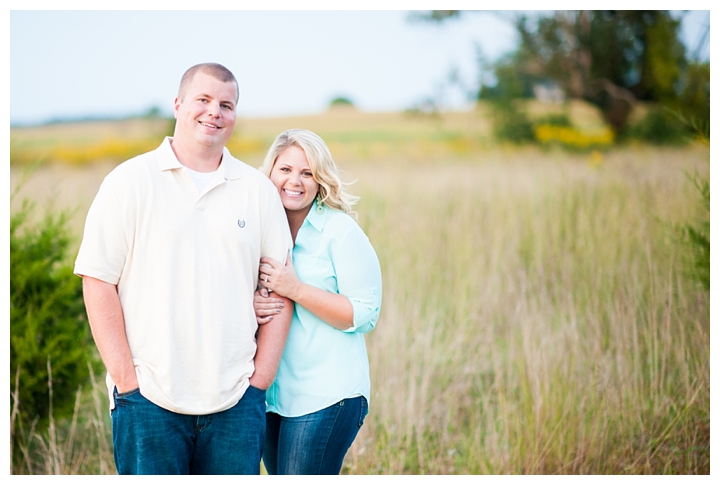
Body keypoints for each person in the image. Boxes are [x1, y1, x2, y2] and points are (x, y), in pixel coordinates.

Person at [73, 63, 294, 475]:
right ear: (178, 104)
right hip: (149, 401)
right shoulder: (129, 182)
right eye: (204, 100)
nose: (215, 112)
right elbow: (97, 280)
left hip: (235, 402)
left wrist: (258, 383)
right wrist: (127, 382)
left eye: (226, 105)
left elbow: (281, 289)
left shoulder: (257, 191)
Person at [253, 129, 382, 474]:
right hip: (270, 397)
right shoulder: (257, 231)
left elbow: (365, 314)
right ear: (270, 173)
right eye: (285, 170)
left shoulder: (340, 233)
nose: (294, 181)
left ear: (320, 179)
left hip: (327, 395)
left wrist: (295, 289)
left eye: (307, 173)